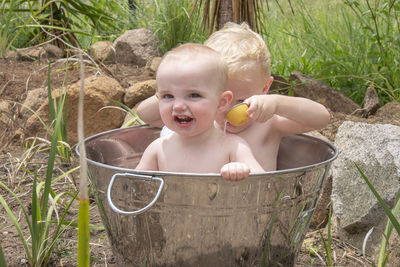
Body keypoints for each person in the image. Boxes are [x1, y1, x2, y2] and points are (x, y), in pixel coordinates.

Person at [137, 22, 330, 171]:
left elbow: (322, 118)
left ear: (264, 88)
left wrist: (277, 103)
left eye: (241, 100)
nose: (228, 108)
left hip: (251, 212)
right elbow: (145, 114)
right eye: (221, 99)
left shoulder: (266, 124)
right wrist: (182, 92)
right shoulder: (200, 121)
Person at [135, 43, 264, 181]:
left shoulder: (233, 147)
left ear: (222, 102)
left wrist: (242, 171)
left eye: (193, 95)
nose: (178, 106)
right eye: (168, 96)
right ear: (158, 99)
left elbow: (264, 183)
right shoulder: (157, 149)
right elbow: (132, 187)